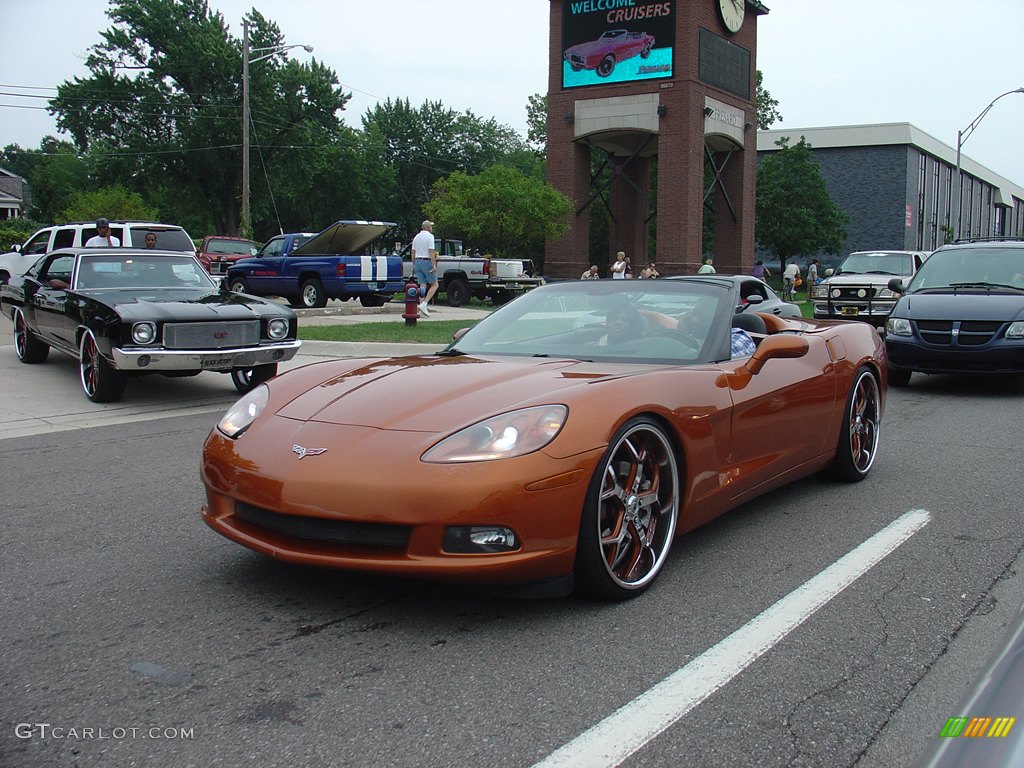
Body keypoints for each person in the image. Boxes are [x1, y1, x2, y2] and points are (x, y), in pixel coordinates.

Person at [411, 219, 439, 316]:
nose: (432, 228)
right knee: (434, 284)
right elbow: (431, 251)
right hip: (426, 261)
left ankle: (421, 309)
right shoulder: (430, 237)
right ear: (427, 227)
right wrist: (434, 265)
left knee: (422, 285)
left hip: (417, 261)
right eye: (431, 226)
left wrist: (414, 264)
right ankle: (424, 303)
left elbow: (413, 252)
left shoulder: (416, 237)